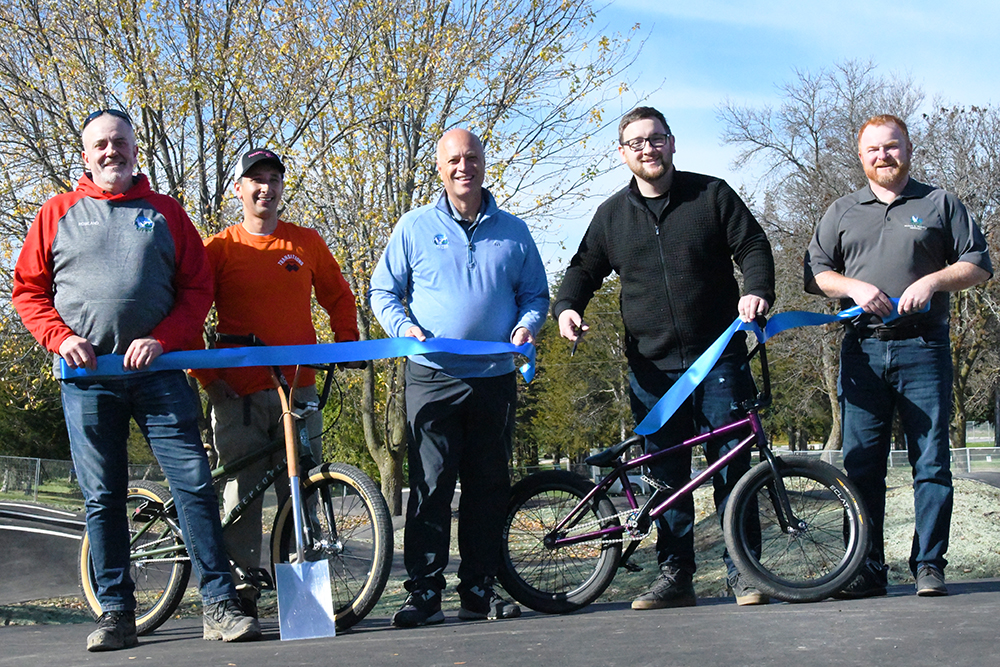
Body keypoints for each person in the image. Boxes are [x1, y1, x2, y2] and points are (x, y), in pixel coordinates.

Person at [12, 109, 260, 651]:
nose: (111, 152)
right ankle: (117, 615)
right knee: (103, 497)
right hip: (88, 380)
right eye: (100, 144)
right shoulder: (56, 213)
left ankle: (220, 604)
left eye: (119, 142)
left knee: (194, 484)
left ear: (134, 149)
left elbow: (197, 290)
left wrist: (164, 339)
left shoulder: (167, 212)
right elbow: (27, 292)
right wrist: (58, 337)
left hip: (160, 376)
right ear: (85, 155)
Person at [554, 106, 775, 609]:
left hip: (720, 360)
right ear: (622, 153)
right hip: (652, 372)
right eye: (637, 143)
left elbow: (755, 247)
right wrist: (567, 307)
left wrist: (757, 290)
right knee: (664, 478)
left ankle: (745, 574)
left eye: (656, 139)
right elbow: (583, 267)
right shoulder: (612, 215)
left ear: (672, 143)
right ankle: (675, 576)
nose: (647, 149)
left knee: (732, 470)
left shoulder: (712, 194)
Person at [804, 114, 992, 598]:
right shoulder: (843, 210)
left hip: (924, 349)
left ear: (908, 148)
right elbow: (817, 273)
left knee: (931, 463)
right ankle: (864, 570)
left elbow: (978, 265)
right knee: (862, 465)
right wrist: (855, 287)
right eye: (873, 150)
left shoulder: (939, 203)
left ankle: (929, 565)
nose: (883, 156)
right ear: (860, 156)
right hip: (862, 351)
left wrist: (933, 280)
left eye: (892, 146)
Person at [370, 128, 549, 627]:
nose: (463, 166)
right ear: (439, 168)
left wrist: (525, 325)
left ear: (484, 164)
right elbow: (383, 292)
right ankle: (424, 594)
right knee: (429, 488)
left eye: (471, 158)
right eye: (453, 160)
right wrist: (404, 328)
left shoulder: (514, 231)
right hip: (431, 377)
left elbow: (536, 295)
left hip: (495, 377)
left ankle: (477, 591)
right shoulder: (412, 227)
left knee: (487, 487)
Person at [189, 148, 361, 617]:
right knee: (241, 497)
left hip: (300, 391)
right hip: (237, 396)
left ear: (283, 188)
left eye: (273, 179)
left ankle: (302, 598)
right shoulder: (219, 249)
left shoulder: (305, 243)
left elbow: (338, 295)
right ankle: (237, 596)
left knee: (303, 489)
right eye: (255, 179)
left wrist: (346, 342)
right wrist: (207, 379)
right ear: (240, 190)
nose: (265, 187)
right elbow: (188, 315)